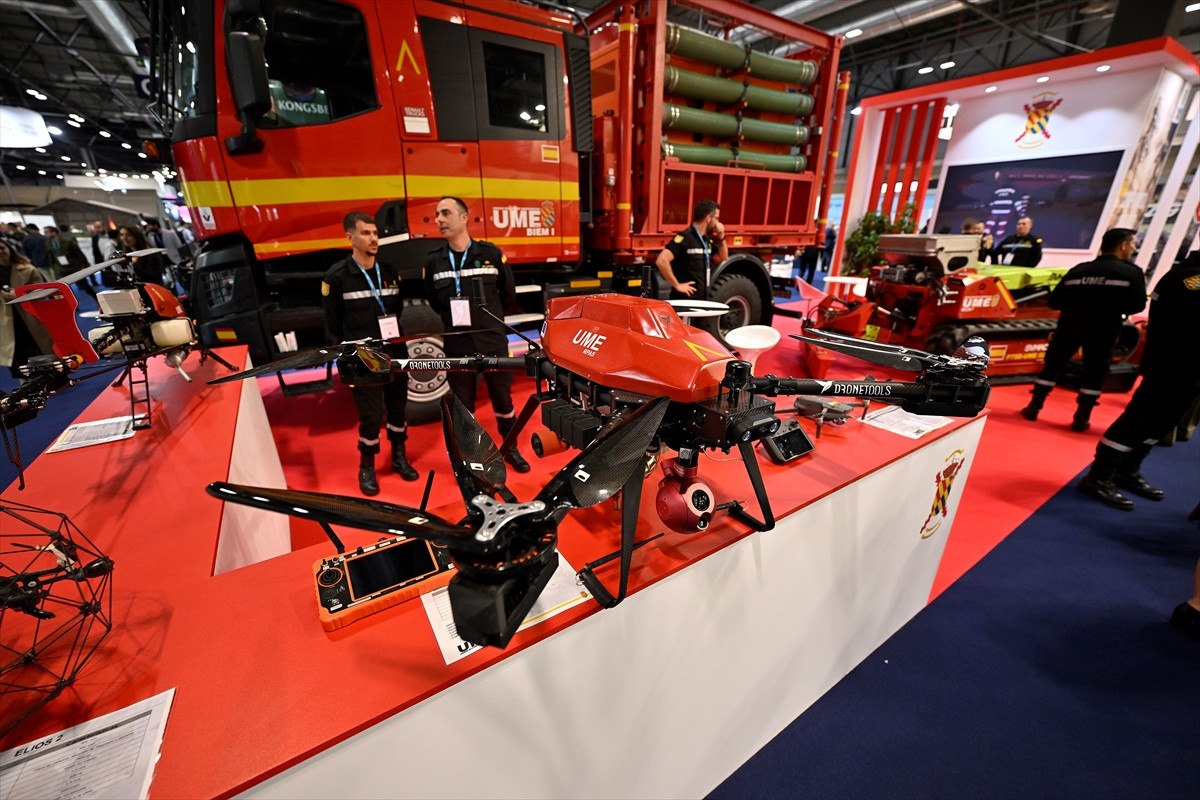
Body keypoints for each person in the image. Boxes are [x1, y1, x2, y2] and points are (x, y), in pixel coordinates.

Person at [1078, 250, 1200, 510]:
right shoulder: (1190, 279)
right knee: (1139, 419)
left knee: (1163, 421)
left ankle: (1127, 468)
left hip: (1188, 368)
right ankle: (1099, 475)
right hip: (1172, 365)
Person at [423, 196, 529, 473]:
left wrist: (486, 321)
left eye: (445, 213)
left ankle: (510, 448)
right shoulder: (434, 261)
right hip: (457, 343)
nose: (439, 220)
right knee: (463, 407)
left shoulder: (490, 254)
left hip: (491, 341)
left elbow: (507, 295)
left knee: (503, 400)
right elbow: (434, 301)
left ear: (464, 217)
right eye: (436, 215)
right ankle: (472, 456)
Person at [323, 211, 418, 495]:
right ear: (350, 237)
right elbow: (333, 325)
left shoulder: (389, 272)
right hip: (362, 360)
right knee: (371, 416)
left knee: (398, 410)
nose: (373, 238)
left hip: (394, 354)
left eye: (375, 233)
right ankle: (366, 466)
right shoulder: (337, 277)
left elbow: (396, 311)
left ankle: (399, 457)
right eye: (366, 233)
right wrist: (348, 360)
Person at [1019, 228, 1145, 432]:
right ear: (1123, 246)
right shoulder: (1131, 273)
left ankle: (1034, 407)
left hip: (1070, 325)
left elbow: (1054, 301)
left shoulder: (1079, 270)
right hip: (1104, 329)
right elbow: (1137, 305)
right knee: (1095, 371)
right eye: (1132, 244)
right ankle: (1081, 418)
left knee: (1053, 365)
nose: (1133, 248)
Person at [0, 240, 54, 380]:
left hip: (29, 315)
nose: (1, 252)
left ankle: (54, 375)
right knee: (16, 352)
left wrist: (19, 295)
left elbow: (42, 290)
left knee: (39, 346)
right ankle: (24, 381)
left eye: (2, 247)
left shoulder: (27, 269)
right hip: (6, 320)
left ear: (9, 248)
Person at [655, 199, 727, 299]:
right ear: (709, 218)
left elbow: (723, 257)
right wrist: (677, 285)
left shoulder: (706, 240)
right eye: (716, 218)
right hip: (685, 301)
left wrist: (721, 237)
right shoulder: (685, 237)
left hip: (701, 299)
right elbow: (661, 261)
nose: (717, 223)